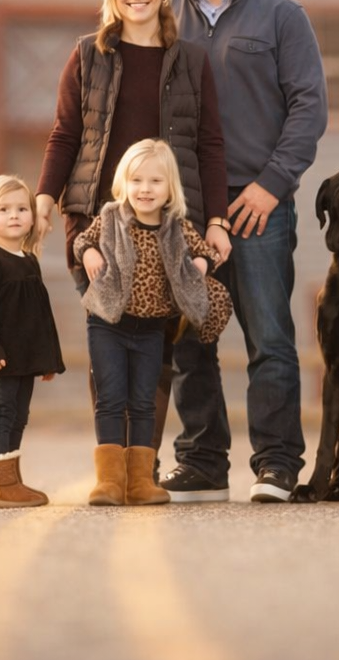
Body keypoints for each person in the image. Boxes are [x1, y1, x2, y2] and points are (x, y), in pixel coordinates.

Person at [34, 0, 233, 459]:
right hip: (98, 224)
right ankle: (111, 462)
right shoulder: (87, 56)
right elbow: (64, 135)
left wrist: (216, 221)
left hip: (168, 224)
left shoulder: (191, 60)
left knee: (157, 350)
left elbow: (210, 145)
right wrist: (43, 199)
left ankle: (141, 466)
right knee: (107, 344)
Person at [163, 0, 328, 504]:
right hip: (184, 209)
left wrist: (272, 183)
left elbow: (309, 107)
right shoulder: (163, 15)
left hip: (259, 204)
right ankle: (203, 463)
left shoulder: (284, 17)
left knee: (270, 338)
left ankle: (277, 464)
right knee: (189, 337)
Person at [74, 139, 232, 506]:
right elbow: (83, 240)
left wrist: (202, 265)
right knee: (111, 398)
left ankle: (140, 481)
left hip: (151, 330)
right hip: (108, 322)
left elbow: (205, 251)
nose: (145, 189)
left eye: (155, 182)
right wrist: (92, 253)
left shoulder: (175, 227)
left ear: (170, 188)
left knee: (144, 401)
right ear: (124, 183)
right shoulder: (112, 217)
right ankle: (110, 481)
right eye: (137, 180)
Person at [0, 174, 66, 509]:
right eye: (4, 209)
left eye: (22, 208)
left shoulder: (28, 260)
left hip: (25, 357)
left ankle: (4, 485)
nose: (15, 215)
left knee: (19, 415)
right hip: (0, 356)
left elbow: (39, 317)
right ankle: (3, 485)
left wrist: (48, 359)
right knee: (1, 413)